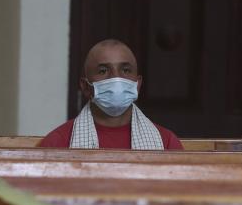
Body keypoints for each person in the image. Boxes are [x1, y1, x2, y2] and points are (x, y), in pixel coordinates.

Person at [39, 39, 184, 150]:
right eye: (103, 71)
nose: (116, 78)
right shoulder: (58, 143)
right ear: (85, 87)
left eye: (125, 70)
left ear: (137, 84)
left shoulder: (166, 143)